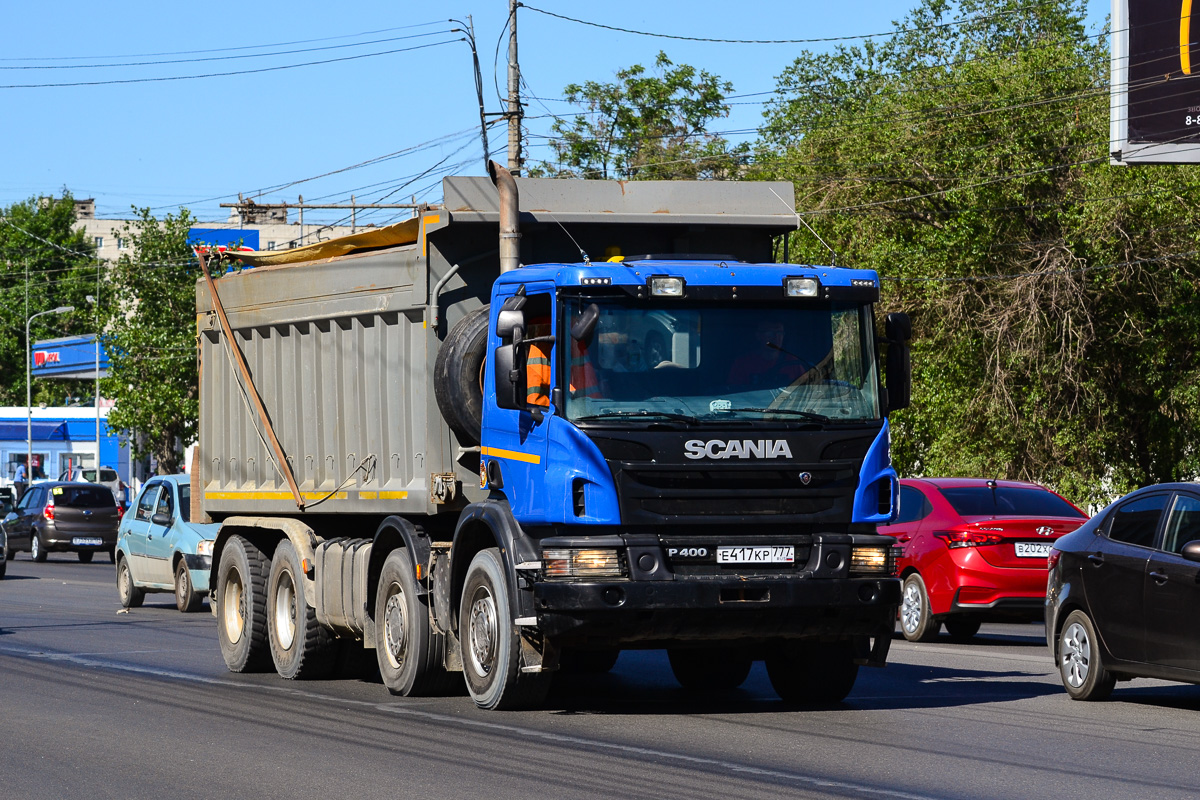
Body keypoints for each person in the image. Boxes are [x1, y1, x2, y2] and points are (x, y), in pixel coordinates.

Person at [727, 319, 811, 387]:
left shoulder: (793, 363)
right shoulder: (743, 363)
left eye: (779, 333)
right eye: (770, 333)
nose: (776, 337)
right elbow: (733, 392)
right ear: (759, 336)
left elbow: (805, 391)